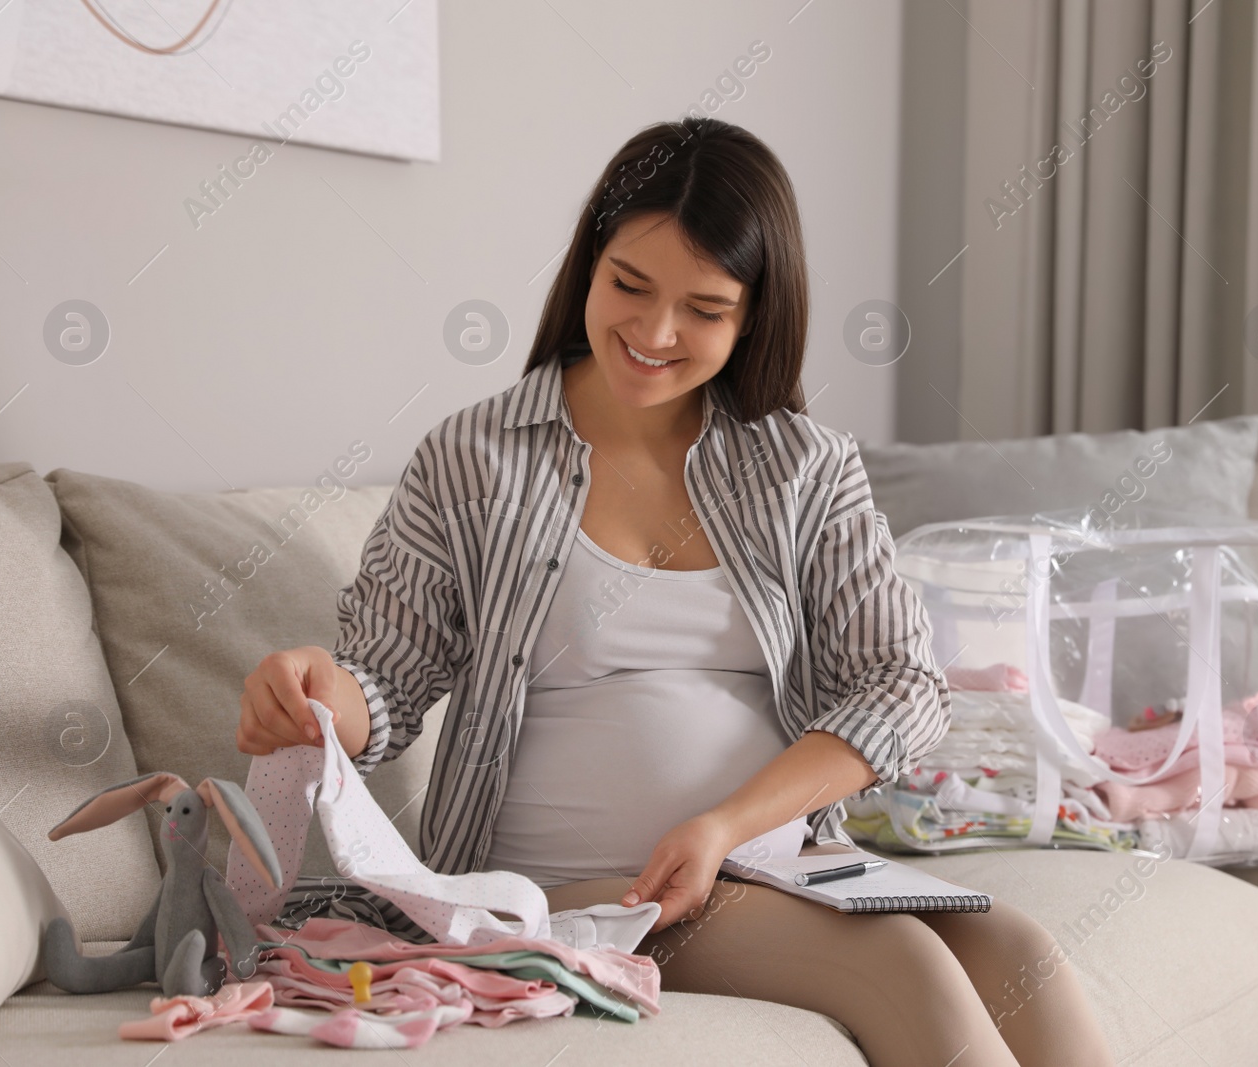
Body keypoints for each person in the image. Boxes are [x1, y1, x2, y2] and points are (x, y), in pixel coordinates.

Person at [237, 116, 1114, 1067]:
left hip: (771, 860)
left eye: (704, 307)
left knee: (1024, 950)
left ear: (752, 316)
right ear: (589, 265)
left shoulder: (803, 467)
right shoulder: (474, 456)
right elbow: (389, 683)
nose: (655, 333)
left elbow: (903, 685)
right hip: (564, 884)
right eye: (630, 285)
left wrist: (728, 824)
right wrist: (323, 693)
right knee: (904, 962)